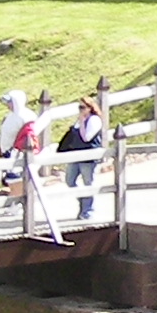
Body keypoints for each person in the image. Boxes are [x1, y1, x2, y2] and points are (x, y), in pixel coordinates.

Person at [61, 95, 108, 223]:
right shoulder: (79, 120)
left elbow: (86, 137)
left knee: (88, 183)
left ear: (90, 108)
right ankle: (83, 201)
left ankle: (87, 211)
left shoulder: (94, 120)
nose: (81, 110)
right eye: (79, 107)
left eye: (83, 107)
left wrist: (82, 122)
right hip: (76, 154)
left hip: (88, 157)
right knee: (70, 180)